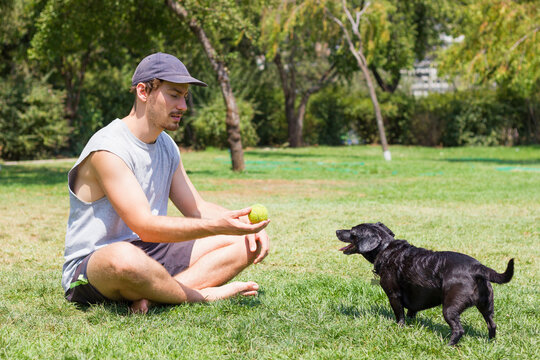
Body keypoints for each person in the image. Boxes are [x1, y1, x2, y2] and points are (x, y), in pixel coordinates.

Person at [61, 52, 270, 313]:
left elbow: (198, 208)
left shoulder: (166, 145)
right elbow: (145, 226)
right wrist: (216, 227)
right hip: (96, 265)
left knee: (246, 245)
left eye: (185, 96)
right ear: (143, 91)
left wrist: (247, 226)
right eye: (174, 94)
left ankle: (154, 296)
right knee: (124, 258)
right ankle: (198, 295)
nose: (183, 105)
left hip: (150, 253)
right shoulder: (109, 149)